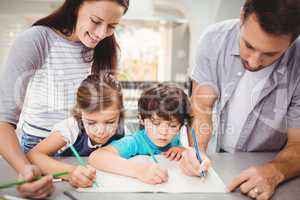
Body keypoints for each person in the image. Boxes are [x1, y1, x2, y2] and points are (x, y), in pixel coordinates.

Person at [0, 0, 129, 198]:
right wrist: (25, 170)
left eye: (112, 26)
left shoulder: (105, 47)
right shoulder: (37, 39)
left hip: (83, 146)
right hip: (39, 149)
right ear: (76, 5)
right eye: (96, 20)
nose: (102, 33)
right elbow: (3, 121)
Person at [179, 0, 300, 199]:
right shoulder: (213, 39)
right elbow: (202, 108)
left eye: (271, 54)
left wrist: (276, 171)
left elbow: (298, 142)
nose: (253, 62)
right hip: (218, 159)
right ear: (242, 16)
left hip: (275, 163)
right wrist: (196, 150)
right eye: (248, 45)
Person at [27, 73, 125, 188]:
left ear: (120, 113)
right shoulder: (71, 128)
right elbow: (33, 155)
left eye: (110, 122)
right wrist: (70, 172)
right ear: (80, 112)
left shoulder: (124, 132)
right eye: (91, 123)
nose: (101, 131)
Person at [89, 83, 191, 185]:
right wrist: (139, 170)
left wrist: (182, 150)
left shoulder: (175, 140)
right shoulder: (135, 142)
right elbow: (96, 157)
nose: (163, 132)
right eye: (156, 123)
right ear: (141, 119)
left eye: (173, 125)